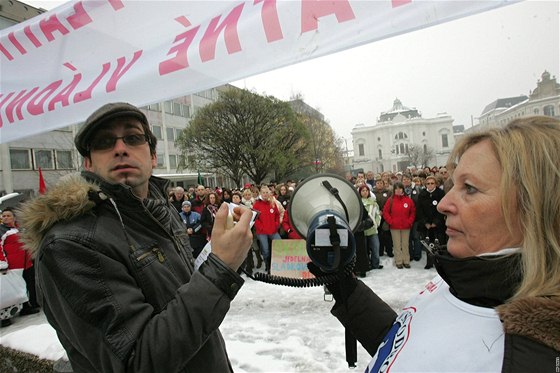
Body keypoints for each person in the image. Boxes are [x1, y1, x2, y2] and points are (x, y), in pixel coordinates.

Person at [17, 102, 254, 372]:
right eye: (104, 141)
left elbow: (183, 303)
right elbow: (138, 362)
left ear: (153, 155)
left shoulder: (161, 212)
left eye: (132, 137)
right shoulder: (70, 243)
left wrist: (219, 257)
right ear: (89, 163)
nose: (120, 148)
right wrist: (220, 269)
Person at [311, 116, 560, 372]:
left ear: (536, 208)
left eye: (470, 188)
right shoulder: (462, 275)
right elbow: (406, 347)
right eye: (452, 185)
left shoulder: (525, 359)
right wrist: (345, 287)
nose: (443, 204)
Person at [1, 208, 40, 317]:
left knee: (28, 284)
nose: (5, 217)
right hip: (12, 265)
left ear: (14, 217)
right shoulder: (2, 230)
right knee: (16, 287)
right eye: (3, 216)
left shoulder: (18, 229)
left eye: (8, 215)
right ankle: (16, 311)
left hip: (26, 262)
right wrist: (2, 262)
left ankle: (31, 303)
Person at [382, 182, 416, 269]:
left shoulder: (408, 200)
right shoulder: (390, 200)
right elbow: (385, 212)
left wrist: (410, 221)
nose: (398, 190)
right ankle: (398, 261)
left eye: (400, 188)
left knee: (405, 244)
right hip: (394, 227)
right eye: (396, 189)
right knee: (397, 244)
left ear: (403, 189)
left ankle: (406, 261)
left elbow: (413, 212)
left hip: (406, 226)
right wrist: (391, 221)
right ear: (394, 190)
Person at [416, 175, 446, 269]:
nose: (430, 185)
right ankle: (429, 262)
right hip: (427, 225)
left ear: (436, 184)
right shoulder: (422, 194)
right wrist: (425, 222)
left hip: (438, 224)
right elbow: (419, 210)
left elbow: (442, 208)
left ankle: (440, 262)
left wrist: (436, 222)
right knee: (428, 243)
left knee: (439, 243)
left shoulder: (441, 193)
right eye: (428, 183)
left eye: (432, 183)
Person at [252, 185, 281, 273]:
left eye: (266, 192)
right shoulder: (257, 204)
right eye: (263, 193)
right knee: (266, 250)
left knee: (280, 244)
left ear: (269, 193)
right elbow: (255, 219)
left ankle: (279, 264)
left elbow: (277, 215)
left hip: (273, 230)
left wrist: (276, 225)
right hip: (262, 232)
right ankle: (268, 266)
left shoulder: (272, 203)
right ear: (261, 193)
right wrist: (261, 228)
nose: (265, 194)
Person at [359, 186, 383, 270]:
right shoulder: (357, 203)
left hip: (372, 229)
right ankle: (366, 265)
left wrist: (376, 224)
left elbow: (377, 215)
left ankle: (375, 264)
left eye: (366, 190)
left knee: (375, 248)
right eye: (363, 191)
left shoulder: (374, 203)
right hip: (362, 230)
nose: (365, 192)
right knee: (364, 250)